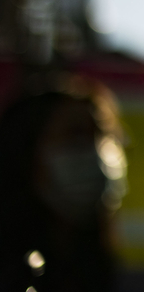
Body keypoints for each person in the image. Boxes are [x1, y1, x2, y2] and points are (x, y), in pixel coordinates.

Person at [0, 77, 126, 292]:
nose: (94, 153)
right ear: (25, 153)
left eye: (98, 136)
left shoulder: (91, 265)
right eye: (75, 135)